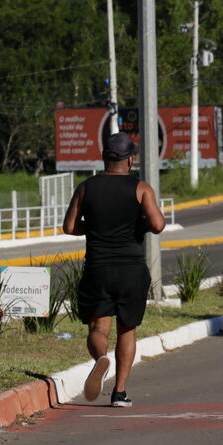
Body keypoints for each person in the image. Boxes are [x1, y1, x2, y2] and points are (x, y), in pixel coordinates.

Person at [63, 132, 166, 408]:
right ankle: (119, 392)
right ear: (130, 159)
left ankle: (100, 359)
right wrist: (138, 225)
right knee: (127, 330)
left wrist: (96, 229)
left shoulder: (86, 187)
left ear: (103, 157)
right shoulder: (141, 188)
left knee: (98, 327)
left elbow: (70, 227)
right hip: (131, 268)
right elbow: (157, 225)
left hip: (98, 266)